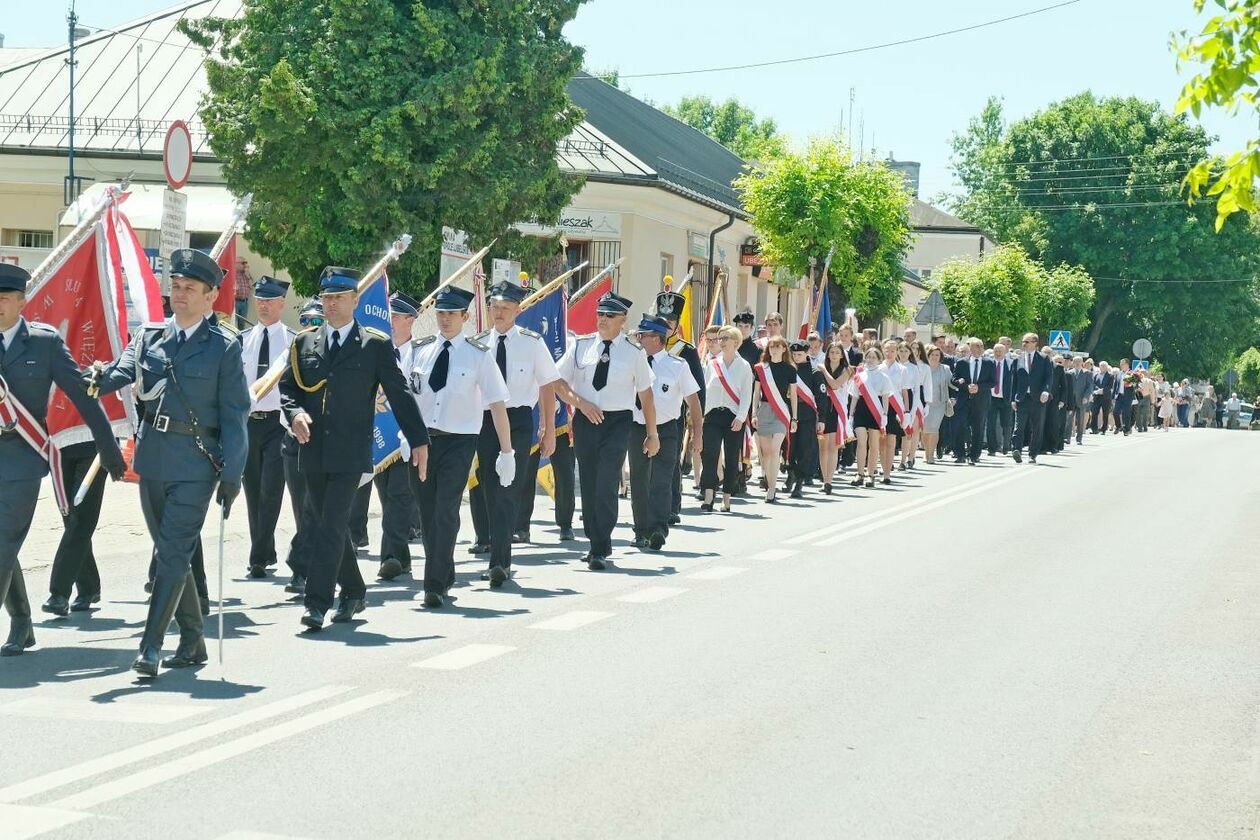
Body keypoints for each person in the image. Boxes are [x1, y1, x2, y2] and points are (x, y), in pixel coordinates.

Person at [89, 249, 246, 675]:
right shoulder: (149, 337)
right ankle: (194, 640)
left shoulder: (224, 347)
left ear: (211, 296)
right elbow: (118, 373)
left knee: (172, 553)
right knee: (170, 549)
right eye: (175, 287)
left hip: (197, 465)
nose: (179, 295)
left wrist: (233, 474)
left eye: (189, 289)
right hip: (153, 460)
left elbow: (235, 417)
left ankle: (151, 646)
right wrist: (94, 376)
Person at [279, 266, 429, 630]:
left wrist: (420, 439)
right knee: (327, 523)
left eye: (339, 297)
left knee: (329, 524)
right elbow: (288, 390)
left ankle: (316, 602)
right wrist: (296, 414)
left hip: (350, 452)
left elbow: (399, 392)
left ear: (355, 301)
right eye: (327, 297)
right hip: (312, 449)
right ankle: (354, 590)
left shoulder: (374, 344)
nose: (331, 304)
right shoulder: (305, 343)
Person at [0, 264, 125, 652]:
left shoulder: (44, 342)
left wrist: (106, 446)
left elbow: (82, 395)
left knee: (4, 542)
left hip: (21, 459)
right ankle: (22, 621)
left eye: (4, 299)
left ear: (22, 302)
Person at [406, 286, 514, 601]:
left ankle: (434, 585)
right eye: (440, 313)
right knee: (427, 512)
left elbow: (496, 403)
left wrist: (507, 451)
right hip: (422, 441)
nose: (445, 319)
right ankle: (444, 570)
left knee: (445, 509)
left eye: (452, 313)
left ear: (465, 317)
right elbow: (403, 398)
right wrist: (404, 436)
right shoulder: (419, 350)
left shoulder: (479, 355)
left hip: (460, 441)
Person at [555, 291, 657, 570]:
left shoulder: (634, 353)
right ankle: (594, 541)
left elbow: (646, 396)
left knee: (607, 481)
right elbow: (557, 382)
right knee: (588, 483)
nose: (602, 319)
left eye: (609, 315)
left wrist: (652, 433)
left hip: (617, 421)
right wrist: (580, 403)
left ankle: (601, 543)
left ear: (623, 320)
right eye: (600, 314)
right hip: (586, 419)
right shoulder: (581, 346)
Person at [468, 280, 560, 581]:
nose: (499, 313)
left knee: (509, 488)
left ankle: (500, 562)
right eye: (495, 307)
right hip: (485, 422)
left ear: (517, 311)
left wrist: (547, 428)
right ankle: (497, 548)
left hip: (519, 420)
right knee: (489, 488)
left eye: (505, 308)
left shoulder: (532, 342)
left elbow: (548, 385)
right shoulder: (480, 343)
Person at [628, 315, 701, 550]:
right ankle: (640, 530)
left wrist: (697, 432)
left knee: (661, 478)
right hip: (637, 427)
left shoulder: (677, 366)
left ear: (658, 339)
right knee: (639, 480)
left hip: (667, 428)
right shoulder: (633, 363)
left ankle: (658, 528)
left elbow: (693, 400)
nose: (639, 339)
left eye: (644, 335)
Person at [239, 275, 294, 579]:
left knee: (272, 489)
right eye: (259, 300)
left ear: (281, 304)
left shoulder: (293, 341)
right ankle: (264, 548)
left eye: (269, 301)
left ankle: (258, 555)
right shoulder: (243, 340)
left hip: (278, 423)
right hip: (249, 423)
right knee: (253, 489)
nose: (263, 305)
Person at [368, 291, 425, 582]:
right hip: (380, 437)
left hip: (408, 437)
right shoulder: (376, 351)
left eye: (395, 317)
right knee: (387, 498)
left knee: (400, 496)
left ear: (410, 320)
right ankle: (402, 558)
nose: (389, 322)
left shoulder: (421, 354)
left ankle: (389, 556)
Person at [280, 299, 323, 595]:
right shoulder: (294, 351)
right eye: (305, 320)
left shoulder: (335, 352)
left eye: (315, 320)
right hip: (294, 442)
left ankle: (302, 566)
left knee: (316, 509)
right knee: (303, 508)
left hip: (326, 444)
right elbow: (282, 390)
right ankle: (312, 566)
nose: (309, 326)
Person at [653, 287, 705, 526]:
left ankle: (672, 505)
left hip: (675, 415)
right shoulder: (648, 344)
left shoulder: (687, 351)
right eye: (663, 320)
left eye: (671, 321)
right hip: (646, 413)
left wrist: (696, 423)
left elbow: (697, 391)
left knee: (671, 461)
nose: (667, 325)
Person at [700, 325, 754, 512]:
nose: (720, 342)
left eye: (724, 338)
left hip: (733, 417)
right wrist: (701, 416)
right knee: (710, 455)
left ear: (735, 341)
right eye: (719, 339)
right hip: (713, 415)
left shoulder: (744, 366)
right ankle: (708, 496)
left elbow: (747, 394)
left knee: (731, 458)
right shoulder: (713, 364)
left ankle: (727, 497)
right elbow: (706, 391)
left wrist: (740, 417)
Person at [750, 335, 796, 503]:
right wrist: (754, 414)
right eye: (771, 347)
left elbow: (794, 396)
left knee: (775, 449)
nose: (774, 349)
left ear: (784, 349)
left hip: (782, 412)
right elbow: (756, 394)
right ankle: (769, 483)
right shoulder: (761, 369)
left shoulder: (790, 369)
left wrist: (795, 418)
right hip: (765, 411)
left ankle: (772, 488)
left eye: (778, 346)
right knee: (766, 453)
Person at [848, 346, 891, 488]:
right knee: (861, 442)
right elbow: (854, 396)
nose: (871, 360)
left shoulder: (883, 376)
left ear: (879, 360)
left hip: (876, 410)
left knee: (873, 444)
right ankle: (859, 473)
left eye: (874, 357)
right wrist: (851, 414)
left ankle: (871, 475)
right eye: (869, 357)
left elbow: (885, 397)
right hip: (861, 409)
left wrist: (884, 414)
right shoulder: (859, 375)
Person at [816, 341, 853, 494]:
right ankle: (824, 479)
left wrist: (824, 370)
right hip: (824, 411)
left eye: (838, 352)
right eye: (832, 352)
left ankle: (829, 480)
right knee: (823, 448)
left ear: (842, 355)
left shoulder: (847, 370)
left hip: (837, 411)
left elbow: (835, 385)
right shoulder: (819, 368)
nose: (834, 355)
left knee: (832, 447)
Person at [951, 337, 995, 465]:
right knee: (960, 426)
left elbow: (993, 382)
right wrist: (965, 386)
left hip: (981, 401)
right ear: (970, 348)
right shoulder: (961, 363)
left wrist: (979, 387)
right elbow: (954, 380)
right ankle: (960, 454)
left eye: (981, 346)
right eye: (977, 346)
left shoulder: (989, 363)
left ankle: (974, 455)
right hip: (964, 400)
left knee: (978, 429)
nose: (980, 348)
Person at [787, 340, 822, 499]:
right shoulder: (788, 369)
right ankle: (791, 474)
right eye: (793, 354)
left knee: (804, 448)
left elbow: (821, 397)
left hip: (807, 414)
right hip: (789, 412)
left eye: (799, 354)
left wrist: (822, 419)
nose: (796, 357)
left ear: (807, 353)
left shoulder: (814, 372)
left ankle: (799, 482)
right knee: (789, 447)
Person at [1011, 333, 1052, 464]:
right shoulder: (1018, 360)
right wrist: (1013, 398)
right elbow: (1014, 380)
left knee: (1037, 427)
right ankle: (1016, 450)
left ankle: (1032, 454)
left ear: (1035, 343)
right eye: (1023, 341)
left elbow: (1048, 377)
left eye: (1026, 341)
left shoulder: (1044, 358)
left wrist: (1046, 391)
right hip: (1022, 398)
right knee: (1019, 426)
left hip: (1038, 398)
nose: (1024, 344)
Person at [878, 339, 910, 481]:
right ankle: (882, 466)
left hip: (894, 408)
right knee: (881, 440)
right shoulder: (878, 368)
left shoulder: (902, 369)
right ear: (883, 351)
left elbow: (905, 392)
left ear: (896, 351)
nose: (890, 353)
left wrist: (906, 411)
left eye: (893, 350)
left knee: (891, 440)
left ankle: (887, 474)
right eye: (887, 350)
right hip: (880, 406)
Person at [922, 345, 950, 463]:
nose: (934, 357)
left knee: (934, 429)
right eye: (932, 354)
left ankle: (931, 455)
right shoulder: (923, 368)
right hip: (924, 403)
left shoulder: (945, 369)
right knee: (924, 430)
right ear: (928, 355)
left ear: (940, 356)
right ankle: (926, 452)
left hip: (939, 403)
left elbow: (951, 384)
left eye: (937, 355)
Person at [987, 341, 1015, 456]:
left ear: (1005, 352)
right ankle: (992, 448)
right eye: (996, 351)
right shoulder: (989, 363)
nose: (998, 353)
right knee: (990, 424)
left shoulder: (1011, 363)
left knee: (1006, 424)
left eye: (1000, 351)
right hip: (991, 398)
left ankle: (1006, 446)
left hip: (1006, 398)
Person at [232, 257, 253, 329]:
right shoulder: (232, 274)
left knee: (242, 324)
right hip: (235, 302)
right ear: (236, 264)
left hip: (245, 303)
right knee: (234, 323)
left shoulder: (246, 274)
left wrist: (248, 276)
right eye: (243, 263)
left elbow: (251, 286)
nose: (245, 265)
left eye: (246, 263)